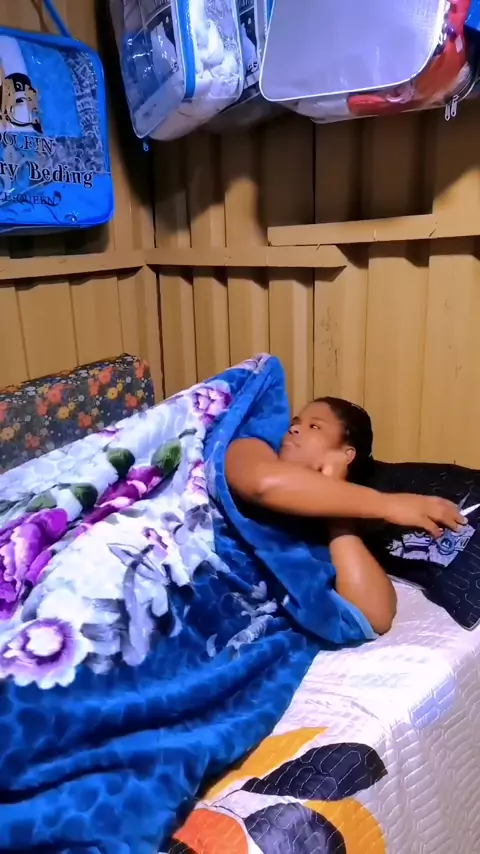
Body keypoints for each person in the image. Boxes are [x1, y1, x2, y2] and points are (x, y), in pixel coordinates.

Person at [225, 397, 466, 636]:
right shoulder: (249, 445)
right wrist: (389, 504)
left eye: (314, 426)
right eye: (295, 423)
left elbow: (376, 616)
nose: (294, 428)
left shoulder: (320, 532)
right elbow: (263, 484)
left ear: (346, 455)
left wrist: (337, 510)